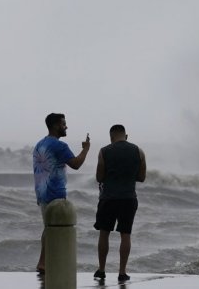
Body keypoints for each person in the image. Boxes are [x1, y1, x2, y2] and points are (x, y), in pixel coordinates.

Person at [33, 113, 90, 274]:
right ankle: (48, 263)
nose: (66, 126)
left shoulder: (40, 144)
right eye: (64, 124)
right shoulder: (60, 146)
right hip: (55, 193)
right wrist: (85, 149)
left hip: (41, 193)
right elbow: (76, 164)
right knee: (55, 229)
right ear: (56, 125)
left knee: (48, 228)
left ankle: (43, 262)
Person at [93, 124, 146, 282]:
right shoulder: (139, 151)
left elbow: (99, 177)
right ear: (126, 136)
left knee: (104, 233)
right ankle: (122, 272)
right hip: (129, 198)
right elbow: (142, 177)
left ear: (111, 137)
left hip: (108, 198)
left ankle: (102, 270)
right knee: (125, 234)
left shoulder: (104, 151)